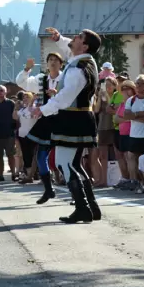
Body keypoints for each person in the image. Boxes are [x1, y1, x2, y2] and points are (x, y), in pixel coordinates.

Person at [32, 28, 103, 224]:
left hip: (72, 119)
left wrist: (44, 109)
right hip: (79, 118)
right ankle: (92, 207)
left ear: (85, 45)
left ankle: (82, 209)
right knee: (74, 164)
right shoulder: (83, 62)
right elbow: (70, 51)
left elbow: (67, 95)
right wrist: (59, 39)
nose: (74, 38)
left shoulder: (79, 68)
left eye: (79, 37)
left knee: (65, 163)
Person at [18, 48, 64, 205]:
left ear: (61, 64)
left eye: (56, 60)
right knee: (39, 154)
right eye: (50, 60)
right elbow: (22, 83)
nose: (52, 62)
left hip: (62, 120)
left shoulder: (65, 79)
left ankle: (77, 191)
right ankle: (49, 189)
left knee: (66, 158)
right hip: (46, 120)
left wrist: (57, 94)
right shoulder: (41, 79)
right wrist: (26, 69)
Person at [119, 75, 144, 191]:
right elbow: (126, 115)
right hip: (135, 134)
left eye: (141, 83)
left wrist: (134, 116)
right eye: (137, 83)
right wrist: (140, 114)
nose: (138, 86)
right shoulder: (131, 100)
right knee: (132, 157)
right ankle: (135, 181)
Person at [92, 77, 118, 189]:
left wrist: (106, 97)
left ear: (114, 85)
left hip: (114, 127)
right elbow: (96, 110)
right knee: (103, 155)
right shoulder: (101, 96)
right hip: (102, 127)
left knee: (117, 154)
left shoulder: (117, 96)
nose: (107, 87)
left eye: (110, 84)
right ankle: (103, 180)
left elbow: (112, 108)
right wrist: (99, 98)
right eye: (105, 85)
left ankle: (116, 179)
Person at [16, 91, 37, 183]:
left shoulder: (35, 108)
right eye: (24, 97)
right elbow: (15, 117)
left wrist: (32, 103)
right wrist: (15, 107)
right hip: (22, 135)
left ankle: (34, 174)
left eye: (27, 97)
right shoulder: (21, 110)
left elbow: (33, 116)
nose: (25, 99)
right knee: (26, 155)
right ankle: (29, 175)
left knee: (33, 155)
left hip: (32, 135)